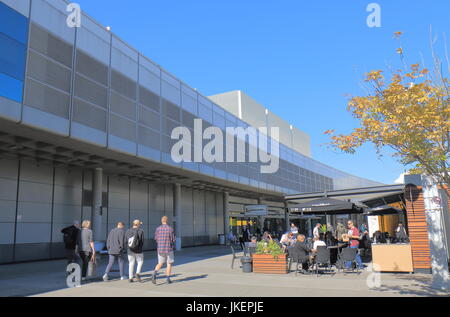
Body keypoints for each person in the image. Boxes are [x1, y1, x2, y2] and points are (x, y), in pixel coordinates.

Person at [152, 216, 176, 285]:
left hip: (160, 249)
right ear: (167, 221)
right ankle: (168, 279)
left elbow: (156, 239)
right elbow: (173, 240)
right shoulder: (170, 229)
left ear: (161, 221)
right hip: (169, 249)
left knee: (160, 263)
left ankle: (154, 273)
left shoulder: (158, 229)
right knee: (169, 263)